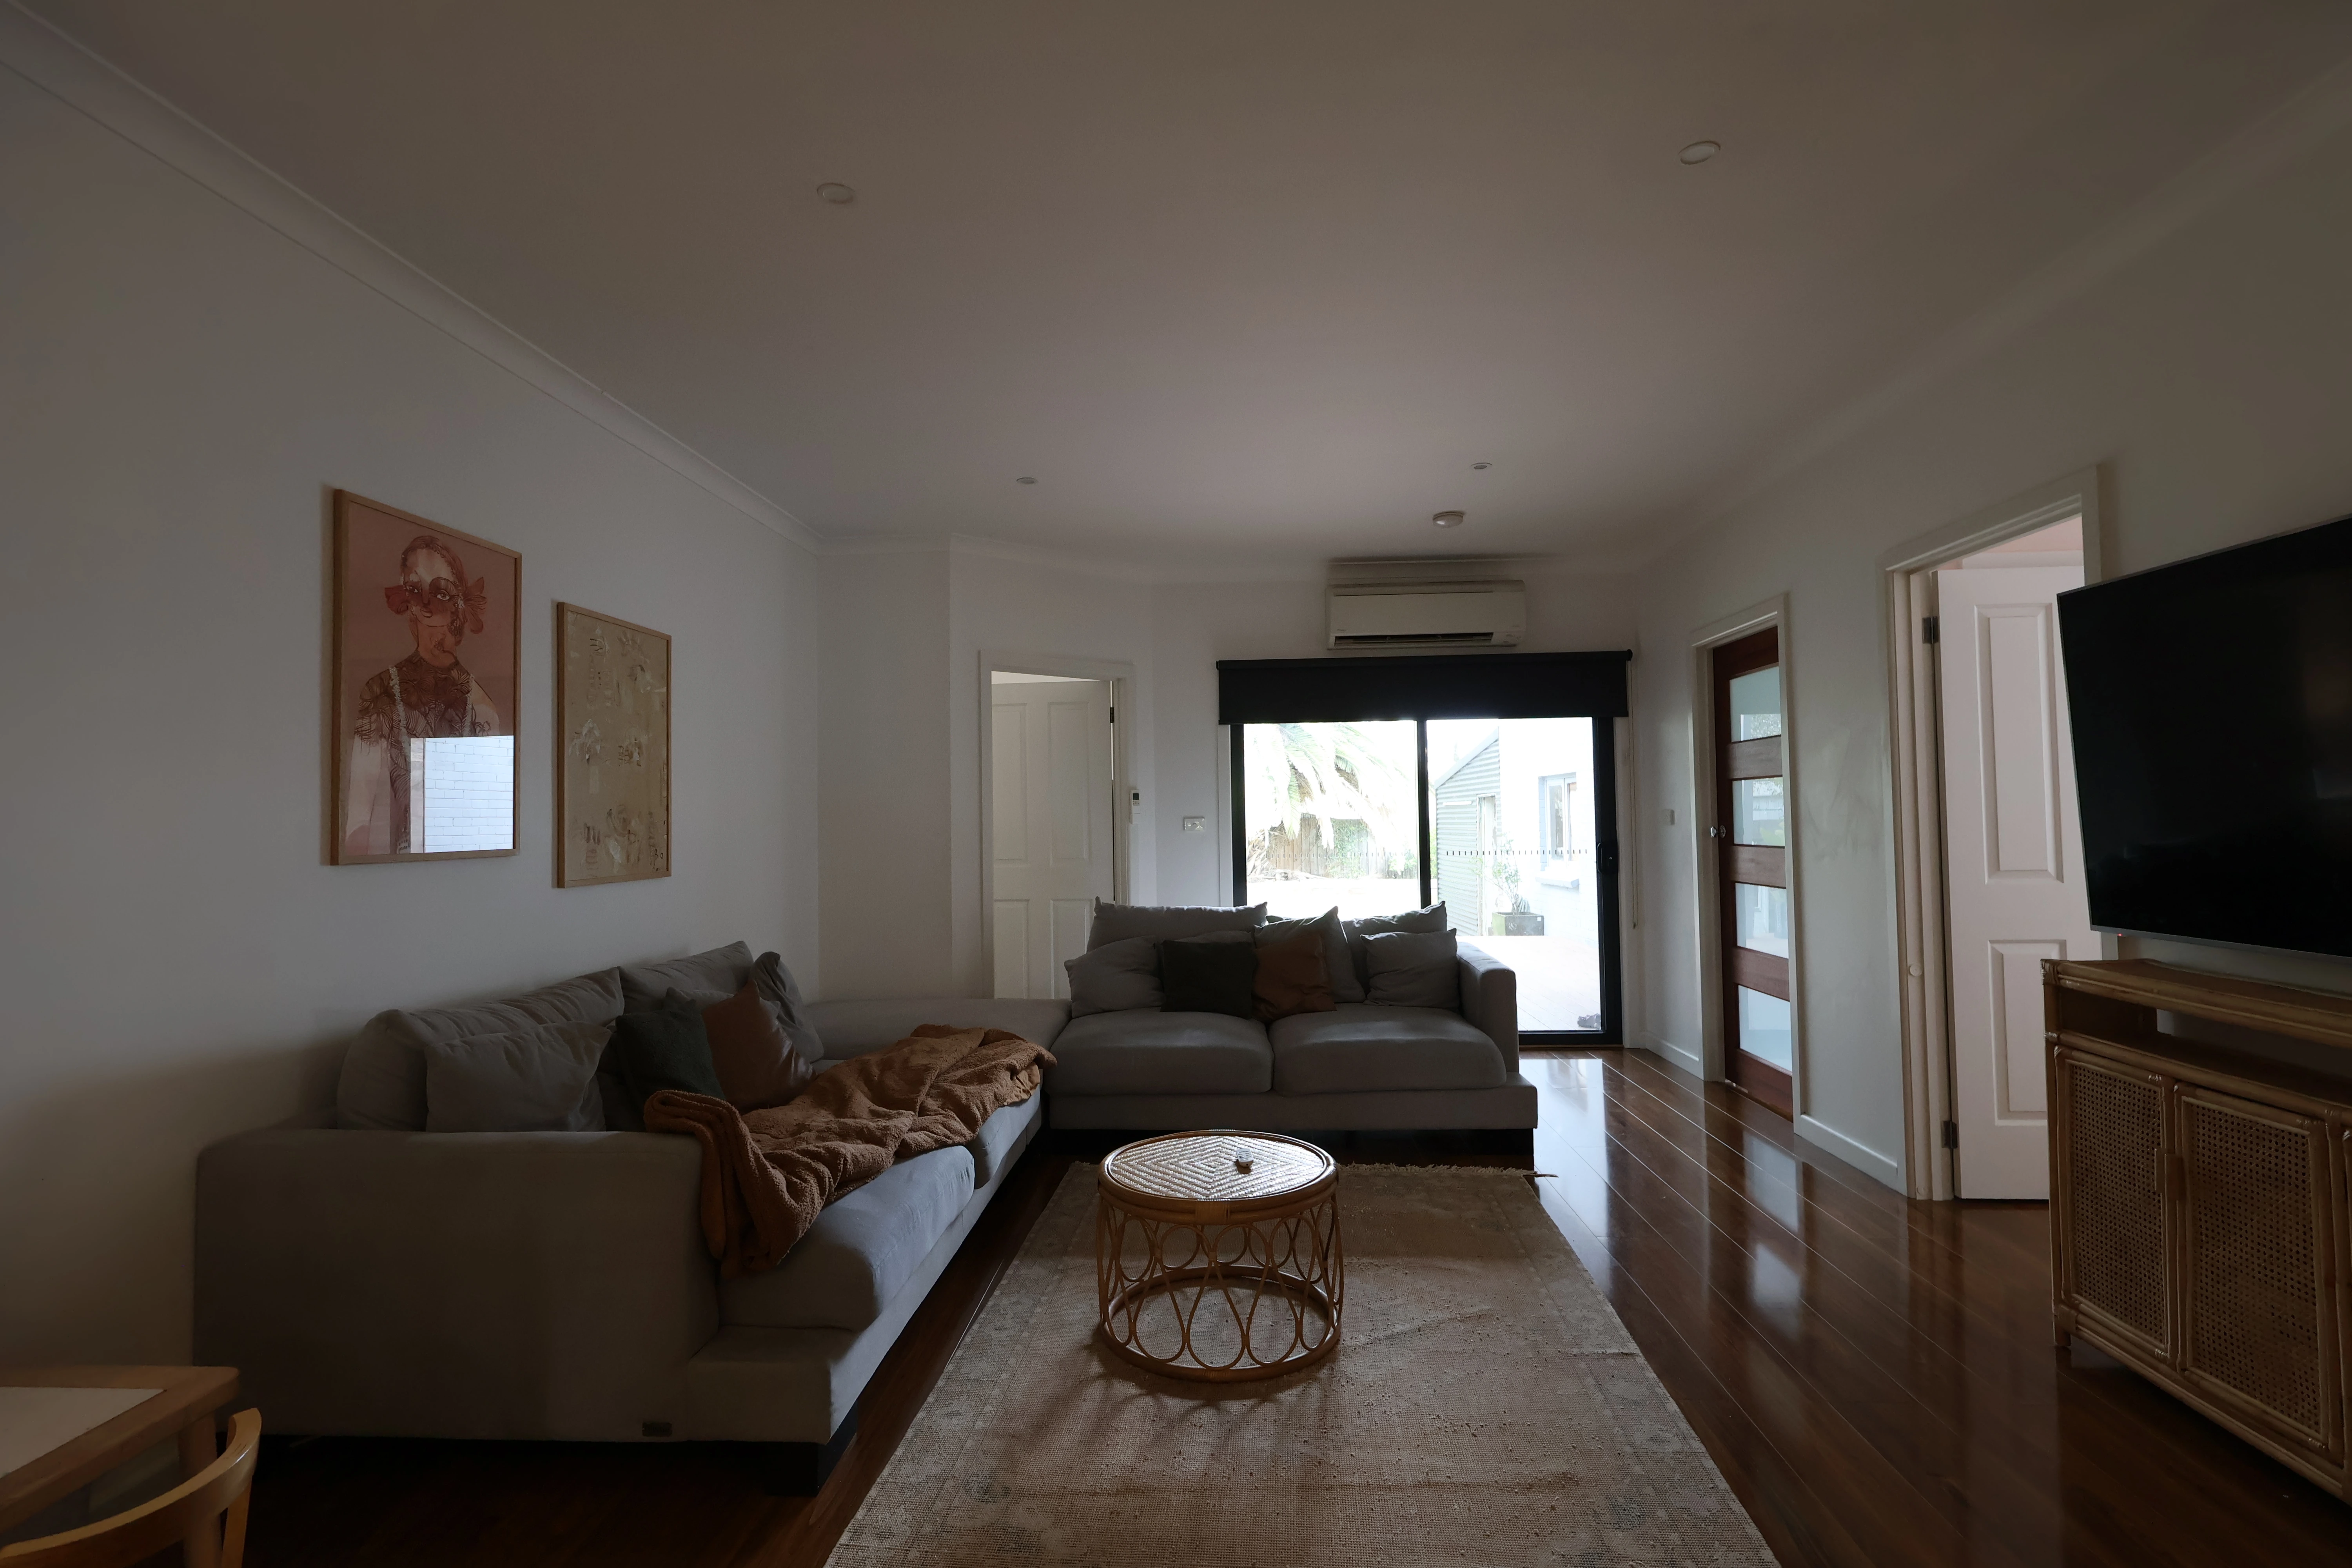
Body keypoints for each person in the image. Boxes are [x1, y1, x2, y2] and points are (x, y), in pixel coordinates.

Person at [343, 534, 501, 856]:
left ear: (459, 602)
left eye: (440, 592)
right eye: (416, 590)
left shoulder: (481, 707)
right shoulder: (380, 692)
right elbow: (358, 816)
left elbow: (487, 821)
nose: (427, 603)